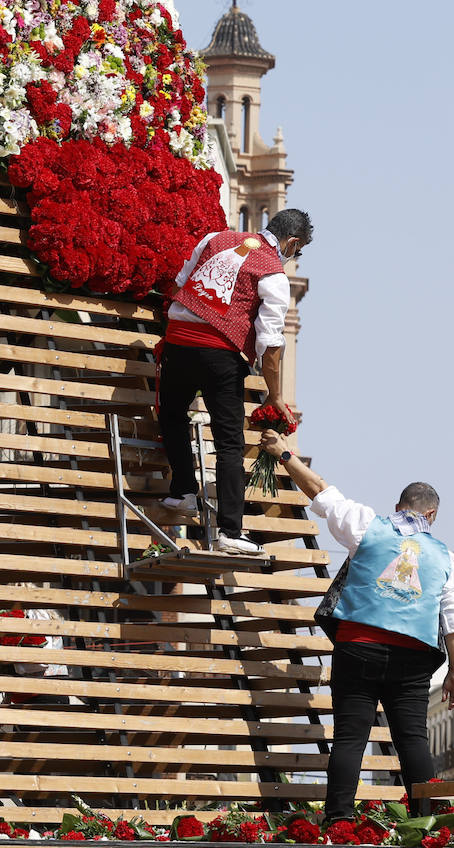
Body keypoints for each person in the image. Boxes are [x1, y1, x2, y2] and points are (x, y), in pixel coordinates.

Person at [259, 431, 454, 821]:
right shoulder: (445, 557)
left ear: (398, 506)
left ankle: (339, 820)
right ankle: (430, 823)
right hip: (413, 661)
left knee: (350, 737)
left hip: (358, 645)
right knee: (413, 741)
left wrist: (283, 454)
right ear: (432, 515)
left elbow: (320, 491)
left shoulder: (369, 525)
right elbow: (451, 622)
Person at [157, 209, 312, 555]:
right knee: (229, 443)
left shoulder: (215, 238)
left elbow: (180, 282)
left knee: (172, 415)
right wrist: (274, 395)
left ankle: (182, 490)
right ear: (293, 243)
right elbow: (270, 344)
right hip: (220, 356)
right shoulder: (273, 272)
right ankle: (230, 530)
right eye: (296, 253)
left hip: (179, 341)